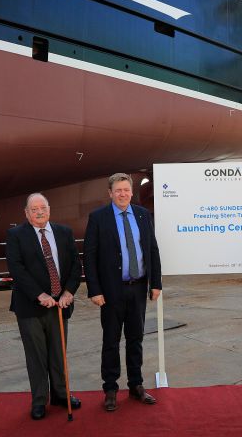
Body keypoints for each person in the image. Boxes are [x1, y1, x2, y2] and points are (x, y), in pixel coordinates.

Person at [84, 173, 162, 412]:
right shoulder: (98, 217)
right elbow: (90, 256)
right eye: (118, 190)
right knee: (111, 341)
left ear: (131, 192)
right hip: (111, 291)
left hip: (138, 288)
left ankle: (136, 385)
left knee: (136, 339)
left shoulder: (142, 214)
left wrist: (156, 283)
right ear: (110, 193)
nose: (123, 194)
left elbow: (152, 249)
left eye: (126, 190)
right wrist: (94, 290)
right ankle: (110, 389)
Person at [6, 193, 82, 420]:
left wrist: (69, 292)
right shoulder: (16, 235)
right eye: (34, 209)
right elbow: (16, 269)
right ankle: (39, 400)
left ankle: (61, 394)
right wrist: (39, 295)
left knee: (59, 355)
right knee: (36, 357)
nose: (39, 212)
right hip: (30, 308)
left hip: (59, 305)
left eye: (43, 208)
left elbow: (75, 265)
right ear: (26, 213)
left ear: (49, 209)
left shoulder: (64, 232)